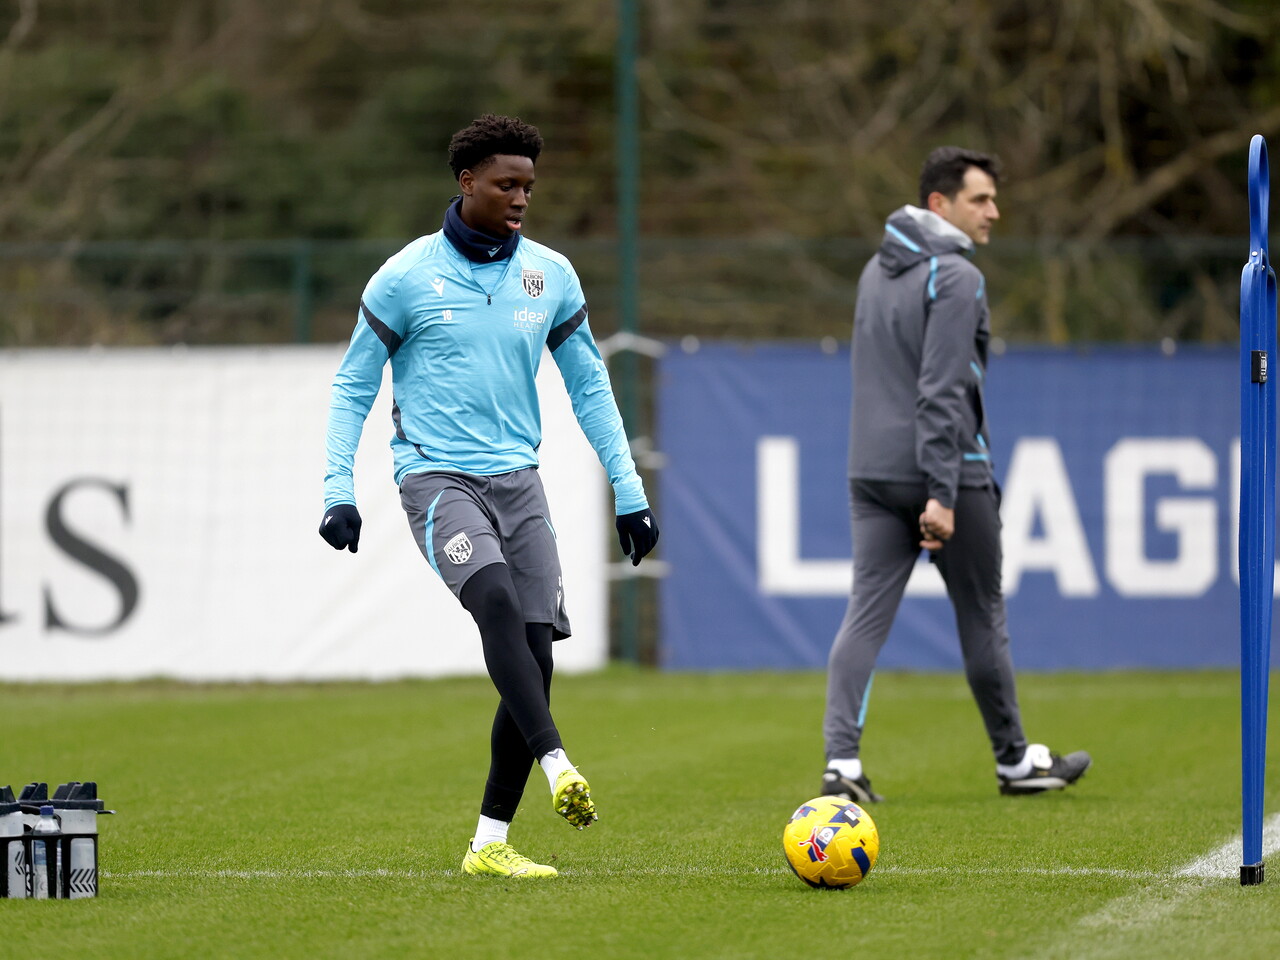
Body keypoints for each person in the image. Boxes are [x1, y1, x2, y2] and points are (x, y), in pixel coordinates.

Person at [319, 114, 659, 878]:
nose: (521, 199)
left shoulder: (551, 275)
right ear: (465, 181)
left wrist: (629, 492)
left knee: (531, 663)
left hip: (520, 481)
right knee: (497, 606)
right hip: (436, 477)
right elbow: (351, 387)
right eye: (507, 184)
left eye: (529, 187)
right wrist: (339, 488)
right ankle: (560, 765)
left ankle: (489, 845)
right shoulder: (405, 276)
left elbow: (590, 387)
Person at [821, 146, 1090, 802]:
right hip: (946, 473)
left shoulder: (873, 271)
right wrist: (941, 492)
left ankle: (842, 766)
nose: (994, 211)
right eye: (980, 199)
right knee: (981, 614)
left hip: (870, 470)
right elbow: (942, 391)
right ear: (939, 204)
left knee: (864, 615)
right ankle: (1014, 762)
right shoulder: (958, 278)